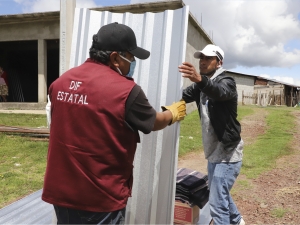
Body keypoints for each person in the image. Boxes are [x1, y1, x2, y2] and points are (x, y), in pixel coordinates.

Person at [42, 22, 186, 225]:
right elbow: (153, 121)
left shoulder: (60, 83)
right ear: (115, 58)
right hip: (100, 198)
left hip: (62, 192)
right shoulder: (125, 91)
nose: (133, 63)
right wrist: (172, 113)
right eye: (131, 57)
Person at [178, 44, 245, 225]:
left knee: (216, 201)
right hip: (213, 151)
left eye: (208, 58)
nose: (203, 61)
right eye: (201, 58)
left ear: (219, 62)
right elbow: (182, 95)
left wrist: (200, 80)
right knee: (219, 192)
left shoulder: (227, 82)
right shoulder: (200, 85)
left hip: (228, 152)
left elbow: (219, 92)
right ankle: (237, 221)